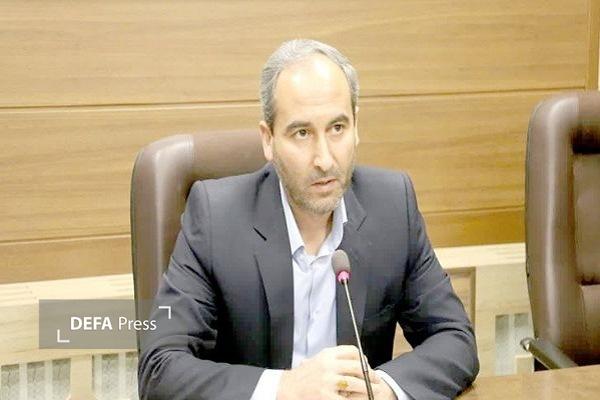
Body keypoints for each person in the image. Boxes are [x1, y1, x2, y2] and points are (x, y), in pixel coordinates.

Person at [138, 39, 479, 400]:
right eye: (302, 133)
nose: (325, 160)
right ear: (268, 139)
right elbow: (161, 368)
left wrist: (385, 388)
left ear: (356, 126)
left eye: (337, 128)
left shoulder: (393, 206)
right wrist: (284, 388)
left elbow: (454, 338)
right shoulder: (215, 217)